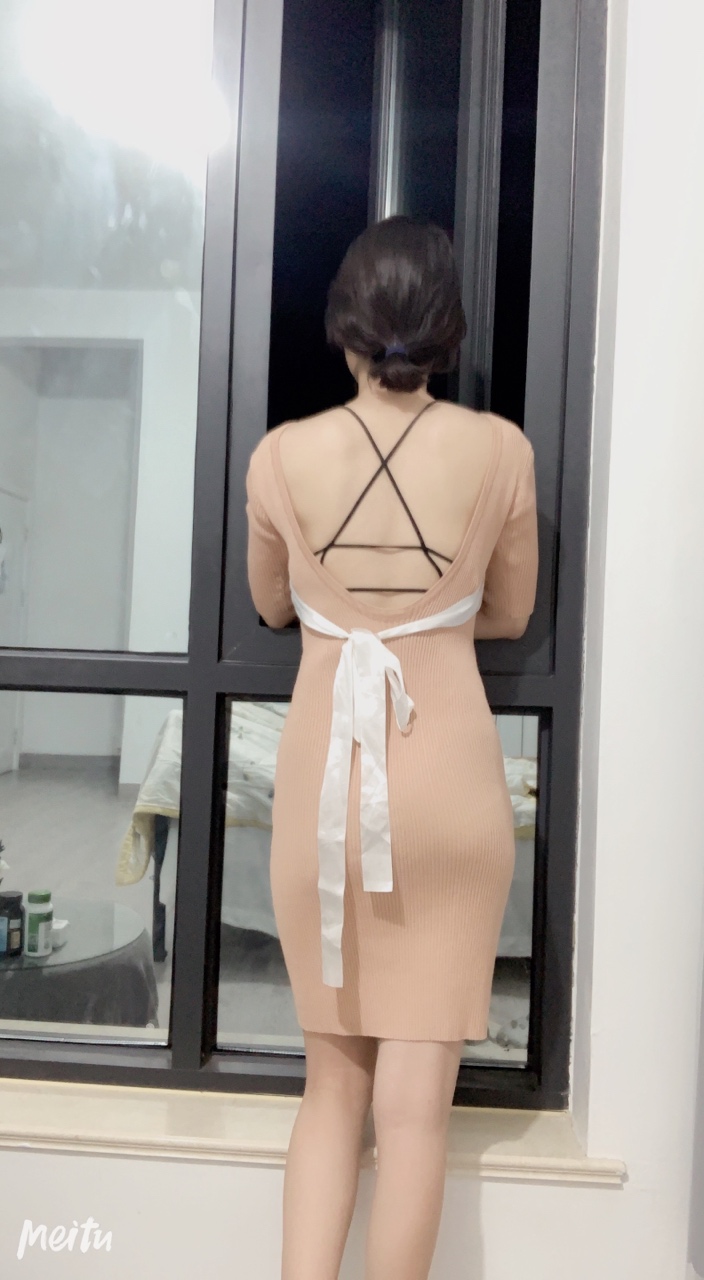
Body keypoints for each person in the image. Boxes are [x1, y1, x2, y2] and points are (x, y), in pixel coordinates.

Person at [245, 214, 539, 1280]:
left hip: (328, 785)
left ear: (344, 328)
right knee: (415, 1116)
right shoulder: (500, 450)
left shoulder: (279, 456)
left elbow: (270, 605)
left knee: (332, 1090)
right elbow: (510, 613)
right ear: (448, 331)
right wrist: (431, 618)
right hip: (449, 782)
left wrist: (348, 615)